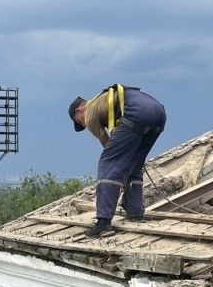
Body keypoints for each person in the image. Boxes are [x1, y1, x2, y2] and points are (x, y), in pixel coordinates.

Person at [69, 84, 166, 237]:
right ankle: (135, 213)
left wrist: (116, 177)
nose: (83, 124)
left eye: (79, 122)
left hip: (137, 114)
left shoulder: (90, 112)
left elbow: (108, 145)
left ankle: (103, 223)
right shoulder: (106, 99)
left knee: (108, 164)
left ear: (79, 111)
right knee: (134, 165)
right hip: (159, 113)